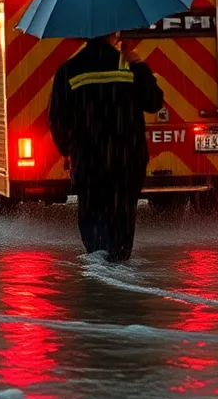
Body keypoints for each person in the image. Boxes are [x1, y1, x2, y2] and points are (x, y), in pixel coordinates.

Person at [49, 33, 163, 261]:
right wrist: (139, 64)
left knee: (92, 217)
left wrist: (68, 151)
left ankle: (97, 260)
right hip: (127, 160)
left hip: (89, 161)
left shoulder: (69, 69)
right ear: (113, 34)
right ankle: (119, 260)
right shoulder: (128, 67)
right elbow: (153, 102)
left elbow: (58, 120)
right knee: (122, 217)